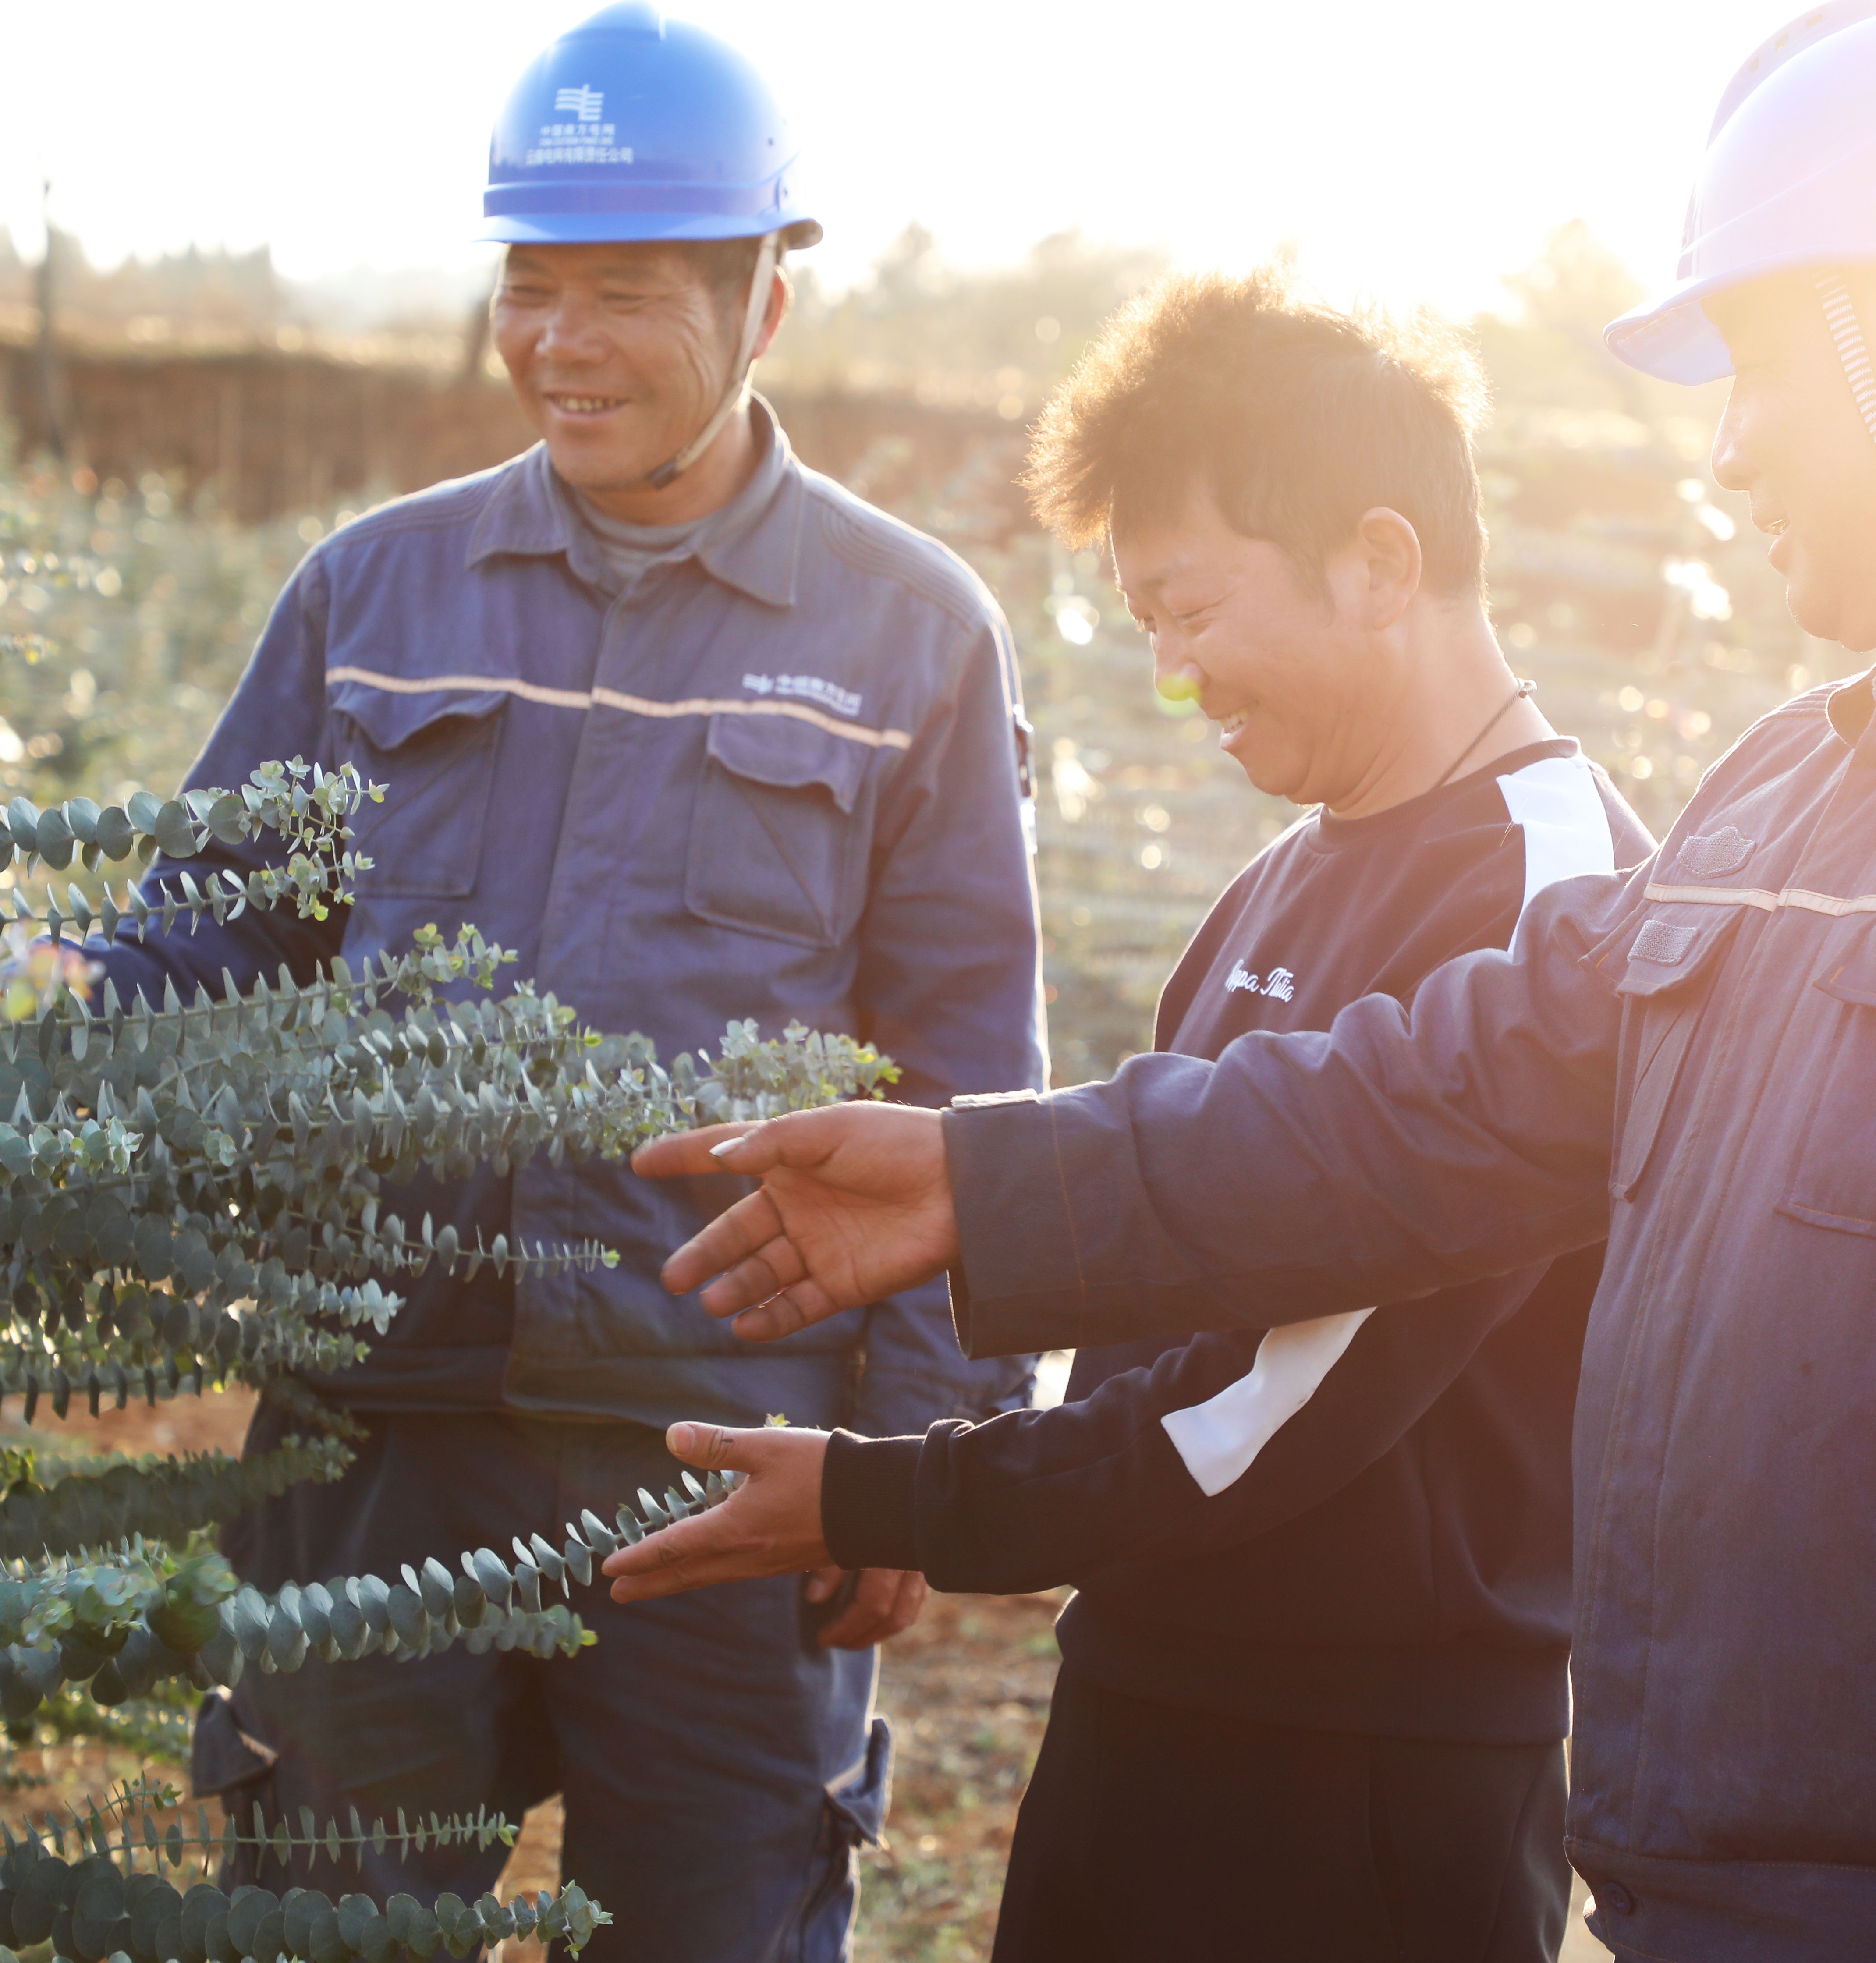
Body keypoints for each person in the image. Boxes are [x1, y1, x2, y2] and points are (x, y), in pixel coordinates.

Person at [613, 5, 1876, 1959]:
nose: (1730, 447)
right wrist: (987, 1182)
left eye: (1759, 365)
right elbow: (1447, 1096)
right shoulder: (1793, 786)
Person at [14, 7, 1042, 1955]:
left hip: (718, 1461)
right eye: (529, 287)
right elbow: (212, 938)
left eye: (625, 295)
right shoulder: (375, 596)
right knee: (319, 1924)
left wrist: (913, 1462)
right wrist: (27, 1028)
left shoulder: (912, 634)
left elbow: (969, 1066)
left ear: (765, 301)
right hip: (374, 1429)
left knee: (718, 1922)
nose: (560, 344)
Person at [603, 270, 1645, 1962]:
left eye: (1193, 610)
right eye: (1143, 625)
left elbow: (1276, 1403)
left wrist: (889, 1499)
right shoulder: (1277, 885)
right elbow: (1174, 1332)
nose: (1174, 678)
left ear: (1381, 563)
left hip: (1375, 1780)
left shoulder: (1553, 896)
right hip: (1153, 1696)